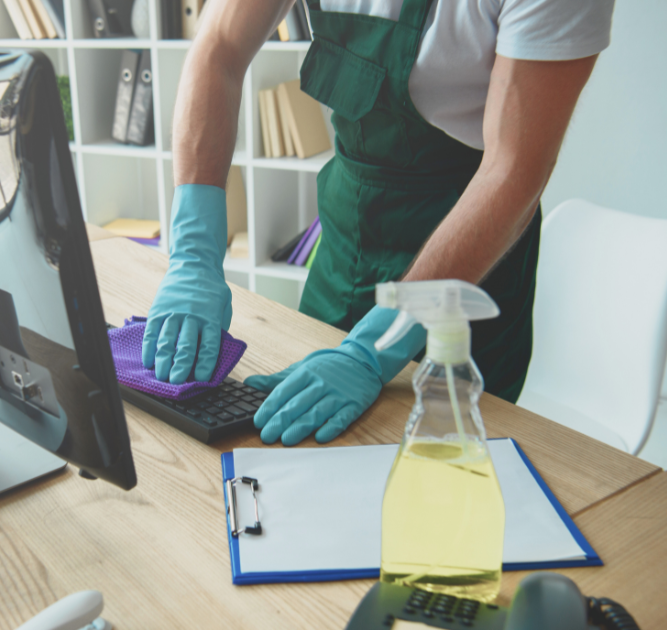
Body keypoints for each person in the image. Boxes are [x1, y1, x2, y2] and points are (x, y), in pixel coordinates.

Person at [142, 0, 614, 445]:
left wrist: (376, 347)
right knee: (290, 455)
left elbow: (513, 172)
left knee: (436, 480)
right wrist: (193, 253)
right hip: (346, 242)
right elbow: (217, 49)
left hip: (465, 268)